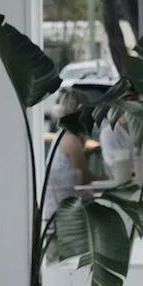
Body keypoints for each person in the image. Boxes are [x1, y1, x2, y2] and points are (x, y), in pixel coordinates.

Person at [44, 89, 94, 219]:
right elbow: (85, 178)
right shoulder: (71, 140)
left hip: (58, 206)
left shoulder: (61, 135)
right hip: (64, 212)